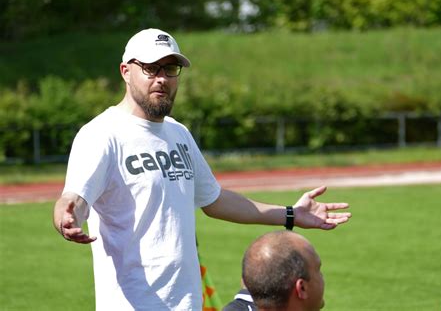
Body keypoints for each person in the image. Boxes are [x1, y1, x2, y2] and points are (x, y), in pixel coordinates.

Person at [52, 28, 351, 310]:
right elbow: (76, 198)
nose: (161, 78)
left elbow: (215, 200)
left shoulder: (178, 133)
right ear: (125, 71)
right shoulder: (102, 134)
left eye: (170, 69)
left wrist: (291, 214)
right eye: (151, 68)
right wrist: (67, 215)